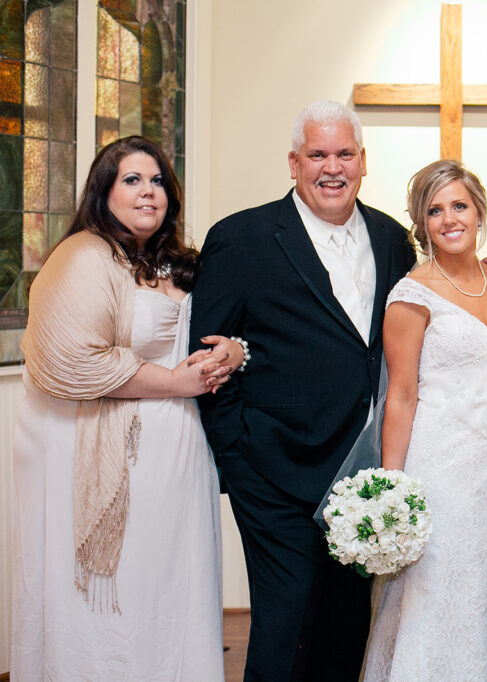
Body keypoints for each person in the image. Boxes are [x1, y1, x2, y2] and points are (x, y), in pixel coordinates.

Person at [189, 100, 417, 681]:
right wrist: (238, 457)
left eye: (344, 154)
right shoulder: (240, 238)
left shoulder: (394, 240)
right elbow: (208, 357)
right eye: (317, 154)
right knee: (285, 624)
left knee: (345, 628)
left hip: (360, 477)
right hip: (273, 473)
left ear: (364, 162)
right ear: (294, 163)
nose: (332, 167)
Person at [11, 135, 242, 680]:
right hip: (109, 451)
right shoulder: (82, 257)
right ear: (104, 191)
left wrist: (234, 350)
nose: (148, 193)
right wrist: (175, 383)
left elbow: (220, 330)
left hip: (178, 452)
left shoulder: (175, 264)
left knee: (169, 582)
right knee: (118, 591)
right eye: (131, 180)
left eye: (157, 180)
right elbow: (71, 360)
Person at [362, 159, 487, 681]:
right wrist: (392, 486)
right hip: (440, 467)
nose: (450, 218)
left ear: (479, 212)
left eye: (460, 205)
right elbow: (402, 396)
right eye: (435, 210)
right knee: (435, 594)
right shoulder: (411, 295)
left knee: (483, 591)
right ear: (421, 223)